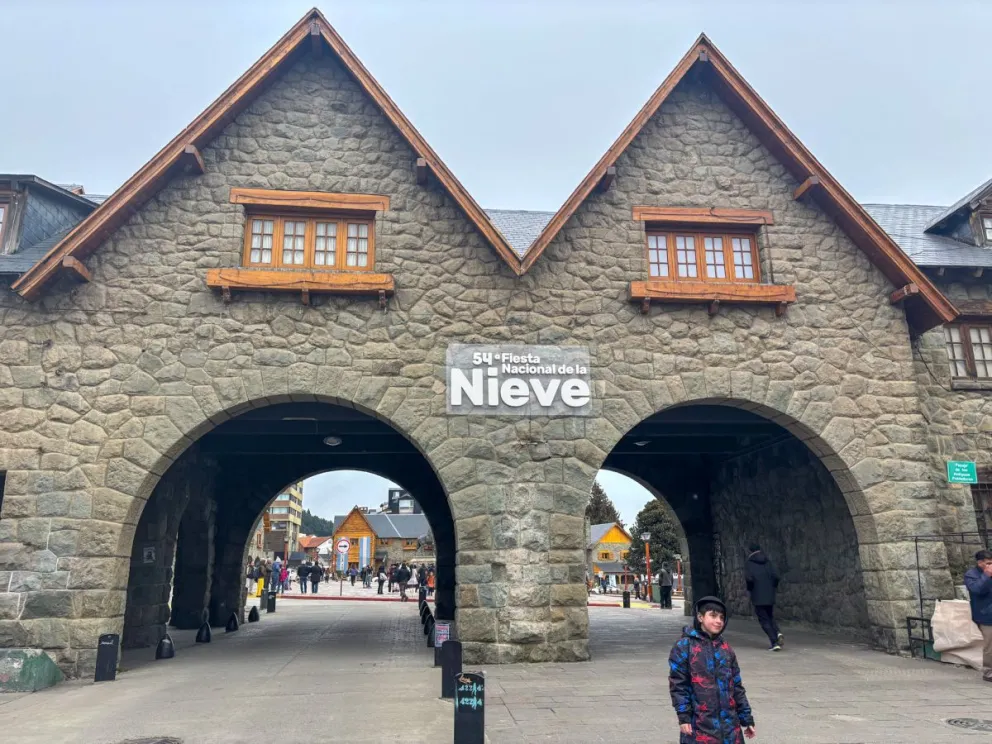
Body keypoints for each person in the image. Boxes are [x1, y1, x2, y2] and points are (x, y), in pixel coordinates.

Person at [669, 596, 756, 743]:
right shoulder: (684, 646)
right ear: (700, 617)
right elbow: (678, 685)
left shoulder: (726, 649)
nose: (718, 621)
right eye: (713, 615)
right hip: (699, 724)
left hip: (729, 727)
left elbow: (736, 686)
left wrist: (746, 718)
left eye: (722, 617)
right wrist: (683, 716)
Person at [744, 543, 783, 651]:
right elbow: (776, 576)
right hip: (769, 594)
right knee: (770, 616)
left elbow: (749, 579)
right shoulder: (768, 561)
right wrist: (772, 587)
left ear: (749, 551)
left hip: (757, 595)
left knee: (763, 619)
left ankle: (774, 642)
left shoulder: (749, 563)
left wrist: (750, 590)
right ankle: (777, 632)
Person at [964, 549, 992, 683]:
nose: (990, 565)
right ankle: (988, 671)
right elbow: (977, 590)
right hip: (985, 614)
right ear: (980, 563)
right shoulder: (971, 575)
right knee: (990, 645)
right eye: (988, 563)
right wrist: (986, 576)